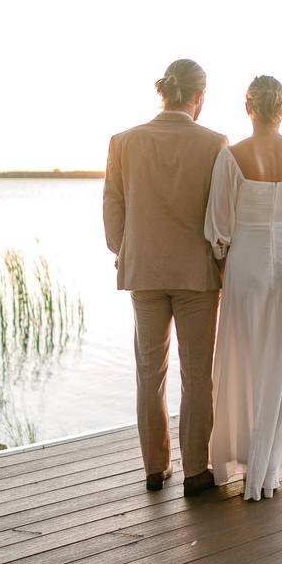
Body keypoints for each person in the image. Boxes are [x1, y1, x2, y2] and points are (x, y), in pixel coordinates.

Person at [102, 59, 228, 496]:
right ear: (199, 96)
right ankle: (196, 469)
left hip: (144, 272)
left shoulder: (124, 142)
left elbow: (112, 208)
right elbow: (220, 216)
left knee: (148, 372)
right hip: (197, 274)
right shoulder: (216, 144)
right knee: (197, 374)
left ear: (165, 92)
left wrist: (126, 251)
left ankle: (155, 468)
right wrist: (223, 261)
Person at [205, 75, 282, 501]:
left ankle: (245, 458)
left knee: (242, 359)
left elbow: (219, 227)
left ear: (247, 106)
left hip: (246, 261)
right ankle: (268, 468)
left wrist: (221, 268)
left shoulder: (231, 157)